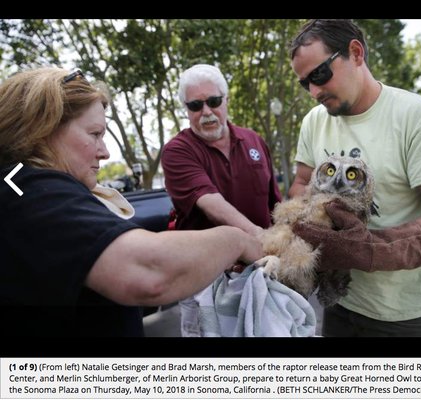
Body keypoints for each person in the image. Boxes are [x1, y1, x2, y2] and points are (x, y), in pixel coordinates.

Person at [0, 67, 263, 337]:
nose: (105, 152)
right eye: (94, 134)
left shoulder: (19, 186)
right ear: (44, 128)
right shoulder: (23, 188)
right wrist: (239, 241)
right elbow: (149, 271)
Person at [288, 19, 421, 337]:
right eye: (305, 83)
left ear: (356, 53)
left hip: (405, 318)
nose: (314, 92)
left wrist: (374, 249)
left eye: (319, 75)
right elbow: (301, 183)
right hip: (336, 305)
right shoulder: (313, 122)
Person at [161, 64, 282, 336]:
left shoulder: (254, 140)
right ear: (186, 109)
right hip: (204, 280)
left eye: (214, 102)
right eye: (195, 105)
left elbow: (275, 205)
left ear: (226, 100)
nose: (206, 112)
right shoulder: (177, 151)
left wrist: (286, 246)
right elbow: (210, 203)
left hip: (260, 274)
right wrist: (260, 238)